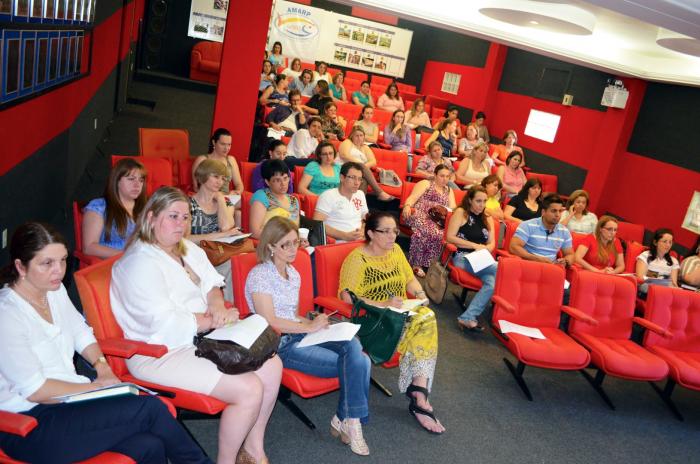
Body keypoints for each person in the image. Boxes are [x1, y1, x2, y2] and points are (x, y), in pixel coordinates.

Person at [0, 222, 212, 464]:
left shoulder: (53, 291)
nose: (58, 270)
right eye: (47, 263)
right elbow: (36, 390)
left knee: (149, 445)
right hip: (29, 425)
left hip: (68, 404)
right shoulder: (7, 314)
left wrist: (103, 368)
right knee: (150, 410)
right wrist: (95, 389)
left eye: (62, 260)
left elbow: (80, 332)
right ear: (21, 266)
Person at [110, 187, 282, 464]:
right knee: (249, 388)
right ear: (152, 218)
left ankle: (252, 449)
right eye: (173, 216)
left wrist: (216, 304)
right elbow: (163, 323)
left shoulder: (186, 247)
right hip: (160, 351)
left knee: (272, 366)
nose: (182, 224)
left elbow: (212, 282)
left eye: (186, 217)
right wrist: (215, 318)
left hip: (202, 336)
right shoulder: (138, 263)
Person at [246, 217, 372, 456]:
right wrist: (308, 327)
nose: (294, 249)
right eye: (286, 245)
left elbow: (292, 315)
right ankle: (350, 421)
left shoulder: (293, 274)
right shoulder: (260, 275)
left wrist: (315, 323)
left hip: (300, 333)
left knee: (352, 344)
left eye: (295, 242)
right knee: (360, 362)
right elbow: (271, 321)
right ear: (271, 246)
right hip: (279, 345)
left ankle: (346, 418)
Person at [339, 211, 445, 435]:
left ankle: (419, 392)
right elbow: (346, 296)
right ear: (370, 233)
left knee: (426, 317)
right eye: (385, 231)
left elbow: (409, 278)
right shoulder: (358, 258)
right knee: (427, 322)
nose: (392, 236)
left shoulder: (396, 251)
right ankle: (419, 394)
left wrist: (419, 294)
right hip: (374, 321)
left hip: (401, 314)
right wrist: (384, 302)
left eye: (395, 231)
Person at [446, 186, 498, 331]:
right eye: (478, 201)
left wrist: (487, 248)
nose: (482, 205)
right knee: (502, 270)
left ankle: (466, 317)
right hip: (463, 257)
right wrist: (475, 245)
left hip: (483, 260)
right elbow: (450, 237)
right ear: (470, 200)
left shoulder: (487, 217)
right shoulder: (461, 212)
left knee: (492, 284)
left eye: (484, 201)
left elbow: (492, 243)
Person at [188, 160, 241, 300]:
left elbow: (227, 227)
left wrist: (221, 200)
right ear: (203, 176)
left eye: (223, 178)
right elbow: (185, 238)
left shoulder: (226, 201)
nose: (220, 182)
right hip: (196, 253)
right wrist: (221, 235)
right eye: (216, 176)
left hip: (218, 252)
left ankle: (233, 308)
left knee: (236, 263)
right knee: (230, 265)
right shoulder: (188, 203)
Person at [82, 158, 146, 258]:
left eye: (141, 180)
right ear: (117, 181)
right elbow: (89, 248)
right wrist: (128, 256)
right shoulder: (99, 206)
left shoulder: (146, 208)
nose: (137, 185)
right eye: (131, 179)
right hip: (113, 264)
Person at [402, 165, 457, 276]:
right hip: (419, 213)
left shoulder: (449, 190)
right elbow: (413, 197)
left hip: (437, 219)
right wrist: (407, 206)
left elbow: (453, 208)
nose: (445, 179)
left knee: (441, 233)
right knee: (428, 229)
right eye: (442, 176)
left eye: (447, 176)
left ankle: (429, 264)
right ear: (435, 175)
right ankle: (416, 264)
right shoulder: (426, 184)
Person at [509, 193, 574, 266]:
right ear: (543, 212)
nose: (557, 215)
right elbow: (513, 247)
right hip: (528, 265)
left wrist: (566, 261)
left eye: (560, 211)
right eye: (554, 211)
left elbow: (570, 254)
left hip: (551, 269)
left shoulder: (564, 231)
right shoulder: (528, 225)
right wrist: (536, 259)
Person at [313, 162, 368, 242]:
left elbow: (365, 219)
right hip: (339, 242)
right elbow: (317, 224)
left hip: (360, 241)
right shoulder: (328, 196)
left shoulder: (360, 194)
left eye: (360, 179)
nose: (357, 183)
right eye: (353, 177)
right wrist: (344, 236)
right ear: (342, 177)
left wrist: (363, 230)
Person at [337, 126, 394, 201]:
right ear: (352, 136)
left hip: (357, 171)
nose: (359, 138)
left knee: (363, 180)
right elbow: (344, 155)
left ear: (364, 137)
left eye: (361, 135)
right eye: (356, 135)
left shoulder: (365, 147)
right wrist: (360, 165)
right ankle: (379, 192)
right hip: (343, 168)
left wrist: (363, 168)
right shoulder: (348, 142)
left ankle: (358, 206)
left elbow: (373, 162)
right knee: (360, 168)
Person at [250, 160, 300, 239]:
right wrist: (283, 239)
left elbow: (296, 230)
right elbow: (255, 232)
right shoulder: (262, 196)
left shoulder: (293, 200)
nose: (283, 183)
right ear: (267, 182)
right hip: (269, 245)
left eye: (285, 178)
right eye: (277, 180)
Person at [192, 128, 244, 195]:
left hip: (227, 197)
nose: (226, 148)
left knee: (248, 202)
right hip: (208, 197)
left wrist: (237, 192)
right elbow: (195, 187)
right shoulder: (202, 159)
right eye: (223, 144)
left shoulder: (231, 160)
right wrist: (215, 196)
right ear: (214, 142)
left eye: (229, 144)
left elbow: (239, 184)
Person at [636, 228, 680, 295]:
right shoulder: (645, 256)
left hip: (664, 291)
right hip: (647, 289)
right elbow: (640, 279)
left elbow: (673, 283)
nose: (668, 245)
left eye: (670, 242)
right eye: (665, 241)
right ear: (655, 242)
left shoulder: (674, 261)